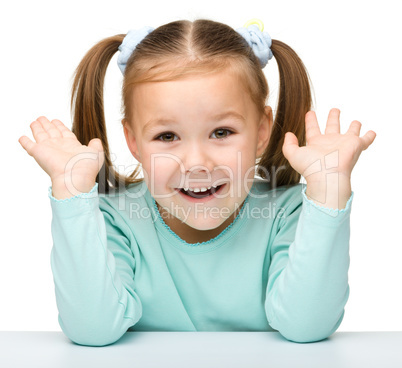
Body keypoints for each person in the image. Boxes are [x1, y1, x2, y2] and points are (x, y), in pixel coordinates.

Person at [18, 19, 376, 347]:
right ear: (133, 141)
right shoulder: (113, 219)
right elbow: (92, 331)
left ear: (262, 131)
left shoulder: (290, 213)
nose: (196, 163)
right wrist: (71, 194)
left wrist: (330, 193)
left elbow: (307, 326)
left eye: (221, 132)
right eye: (167, 136)